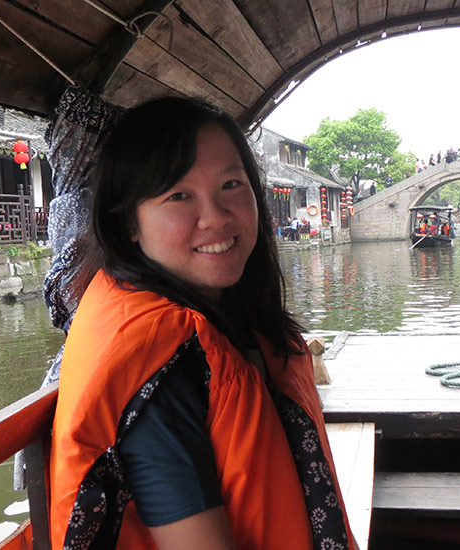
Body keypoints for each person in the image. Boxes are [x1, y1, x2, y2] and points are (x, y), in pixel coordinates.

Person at [49, 96, 355, 550]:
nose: (215, 217)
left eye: (232, 184)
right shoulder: (158, 364)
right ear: (128, 222)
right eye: (178, 195)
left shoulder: (226, 315)